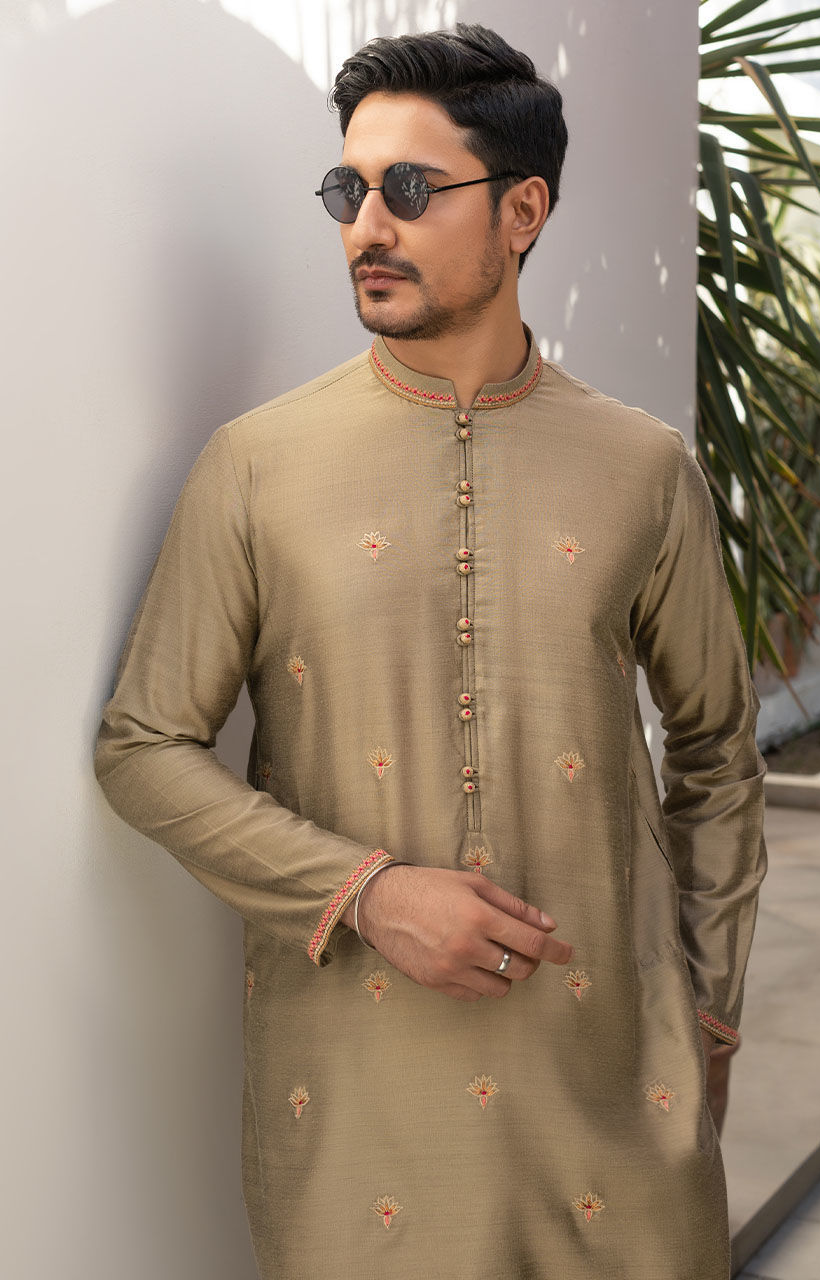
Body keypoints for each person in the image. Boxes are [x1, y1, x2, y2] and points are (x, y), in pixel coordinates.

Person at [93, 22, 767, 1280]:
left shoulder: (642, 467)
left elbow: (719, 751)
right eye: (348, 190)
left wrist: (712, 1007)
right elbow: (142, 744)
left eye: (409, 188)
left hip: (616, 1091)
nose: (366, 226)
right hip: (357, 1109)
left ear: (523, 211)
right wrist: (368, 890)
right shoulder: (255, 467)